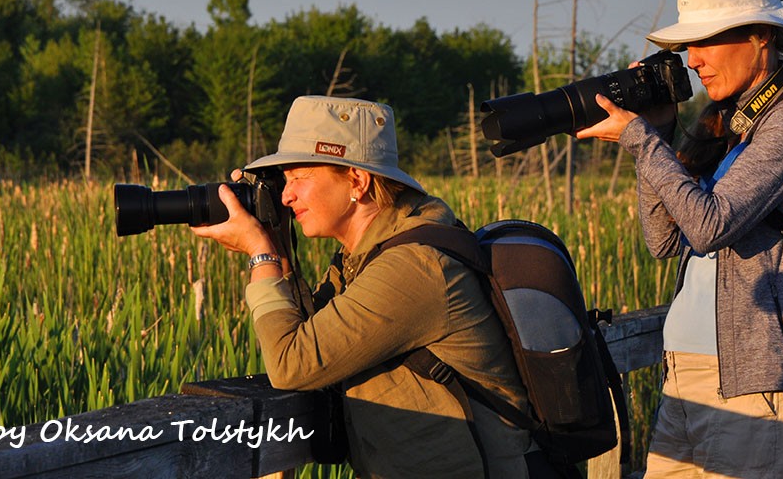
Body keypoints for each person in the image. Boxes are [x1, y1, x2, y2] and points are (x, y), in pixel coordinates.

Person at [577, 0, 783, 477]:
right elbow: (665, 239)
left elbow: (710, 226)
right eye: (688, 45)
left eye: (708, 41)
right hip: (687, 376)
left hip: (754, 385)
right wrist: (657, 132)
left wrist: (641, 141)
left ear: (762, 36)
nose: (693, 60)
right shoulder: (728, 124)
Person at [191, 96, 535, 479]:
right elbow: (316, 335)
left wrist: (260, 254)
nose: (286, 197)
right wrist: (277, 244)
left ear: (357, 181)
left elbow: (294, 364)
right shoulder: (366, 254)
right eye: (284, 181)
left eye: (299, 177)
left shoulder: (414, 267)